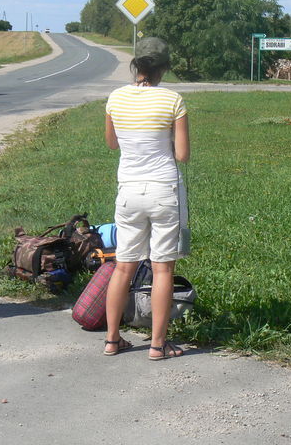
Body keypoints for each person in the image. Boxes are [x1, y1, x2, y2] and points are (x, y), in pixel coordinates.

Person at [103, 37, 190, 360]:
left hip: (128, 190)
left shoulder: (115, 97)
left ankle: (113, 340)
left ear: (136, 64)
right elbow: (182, 154)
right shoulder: (173, 100)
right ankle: (157, 344)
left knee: (123, 267)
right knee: (162, 269)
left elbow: (112, 143)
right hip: (162, 189)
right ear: (163, 68)